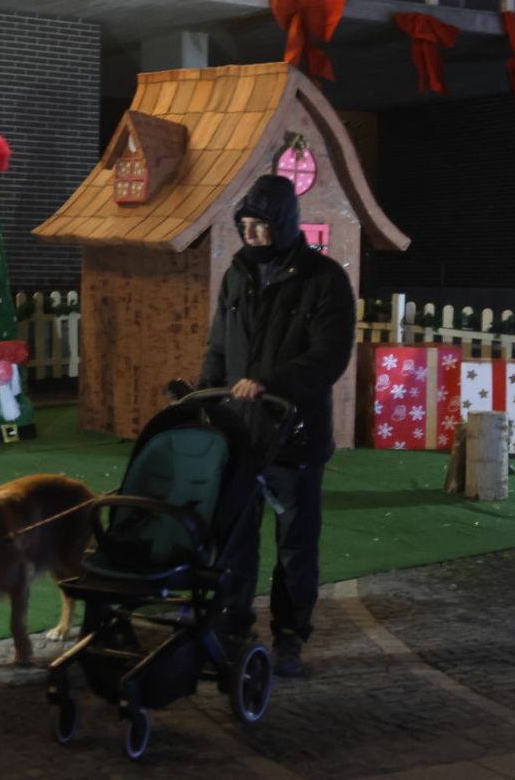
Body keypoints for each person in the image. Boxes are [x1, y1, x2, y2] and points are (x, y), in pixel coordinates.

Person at [198, 173, 355, 677]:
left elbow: (328, 357)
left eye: (261, 224)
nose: (252, 233)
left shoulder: (324, 278)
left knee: (295, 545)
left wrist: (268, 382)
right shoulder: (237, 275)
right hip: (242, 434)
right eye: (245, 224)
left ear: (284, 223)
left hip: (296, 436)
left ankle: (290, 635)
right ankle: (232, 623)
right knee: (235, 538)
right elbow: (220, 347)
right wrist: (207, 401)